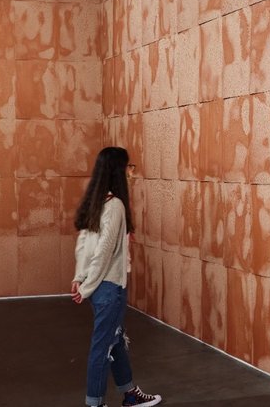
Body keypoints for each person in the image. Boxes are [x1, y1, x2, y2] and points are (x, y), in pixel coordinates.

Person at [71, 147, 162, 407]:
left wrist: (81, 278)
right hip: (109, 288)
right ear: (117, 171)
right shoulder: (115, 206)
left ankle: (130, 393)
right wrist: (86, 286)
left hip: (101, 288)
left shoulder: (97, 202)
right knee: (103, 348)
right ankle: (94, 404)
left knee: (115, 339)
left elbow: (83, 244)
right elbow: (103, 251)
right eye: (128, 167)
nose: (131, 172)